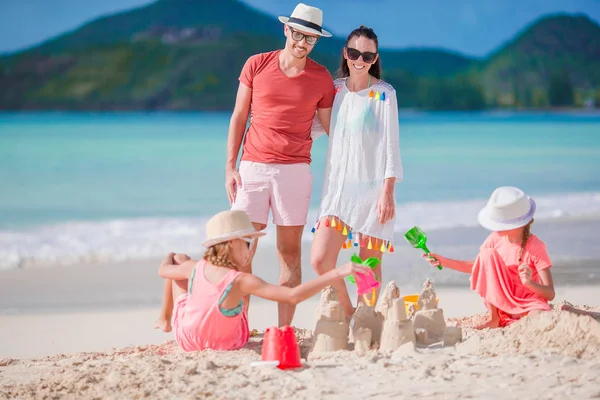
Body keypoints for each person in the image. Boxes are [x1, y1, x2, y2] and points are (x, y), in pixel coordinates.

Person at [224, 3, 336, 327]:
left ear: (315, 42)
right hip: (252, 168)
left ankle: (284, 330)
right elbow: (239, 117)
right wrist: (230, 167)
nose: (302, 43)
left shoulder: (321, 77)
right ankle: (238, 327)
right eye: (298, 34)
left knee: (289, 253)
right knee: (241, 250)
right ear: (286, 29)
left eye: (310, 38)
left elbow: (334, 131)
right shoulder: (257, 64)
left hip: (295, 172)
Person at [154, 210, 369, 351]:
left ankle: (164, 319)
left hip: (187, 340)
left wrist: (170, 255)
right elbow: (293, 296)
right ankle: (165, 319)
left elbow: (164, 271)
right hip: (226, 343)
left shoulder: (195, 268)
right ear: (231, 243)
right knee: (183, 265)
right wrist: (336, 272)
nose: (251, 250)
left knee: (179, 260)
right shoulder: (241, 280)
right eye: (248, 243)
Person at [309, 26, 403, 318]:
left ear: (375, 58)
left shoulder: (384, 95)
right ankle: (351, 314)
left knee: (369, 263)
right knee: (320, 259)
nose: (359, 60)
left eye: (367, 55)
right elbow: (310, 128)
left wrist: (387, 192)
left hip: (372, 192)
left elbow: (391, 146)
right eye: (354, 53)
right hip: (336, 192)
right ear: (345, 54)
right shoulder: (334, 90)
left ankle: (365, 320)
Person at [422, 186, 555, 329]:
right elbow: (479, 266)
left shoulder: (536, 247)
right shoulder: (494, 240)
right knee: (487, 254)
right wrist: (444, 261)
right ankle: (494, 318)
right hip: (501, 303)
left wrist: (529, 283)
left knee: (538, 318)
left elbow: (550, 294)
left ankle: (529, 315)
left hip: (529, 303)